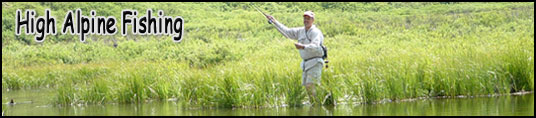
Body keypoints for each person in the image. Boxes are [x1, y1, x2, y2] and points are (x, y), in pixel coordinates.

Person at [266, 10, 325, 104]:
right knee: (307, 87)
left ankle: (316, 106)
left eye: (308, 18)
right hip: (306, 64)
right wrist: (275, 22)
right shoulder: (300, 31)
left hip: (315, 62)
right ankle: (315, 105)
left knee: (310, 85)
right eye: (305, 18)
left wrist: (303, 46)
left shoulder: (316, 32)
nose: (306, 20)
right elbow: (287, 32)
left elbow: (316, 46)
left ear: (313, 20)